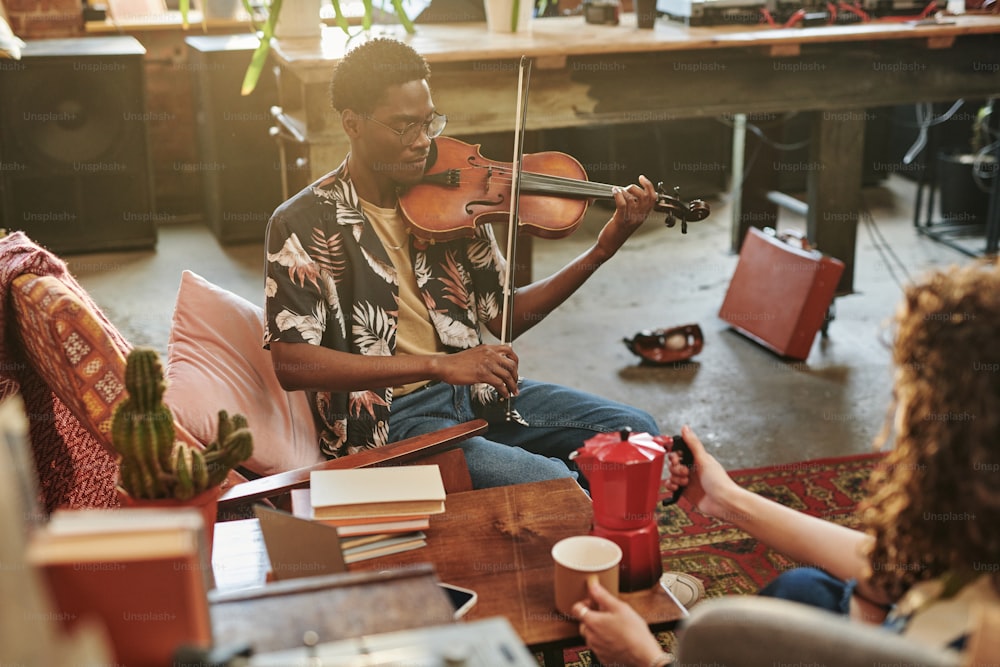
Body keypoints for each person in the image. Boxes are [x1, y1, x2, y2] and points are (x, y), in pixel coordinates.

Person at [263, 37, 664, 488]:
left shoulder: (457, 195)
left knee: (637, 434)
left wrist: (601, 250)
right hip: (393, 421)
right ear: (353, 123)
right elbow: (292, 363)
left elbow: (506, 313)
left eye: (428, 122)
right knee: (554, 483)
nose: (422, 142)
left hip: (477, 394)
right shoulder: (300, 222)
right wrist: (438, 365)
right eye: (403, 127)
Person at [572, 261, 1000, 665]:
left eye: (908, 394)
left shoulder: (983, 633)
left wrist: (645, 657)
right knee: (805, 589)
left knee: (713, 635)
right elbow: (896, 567)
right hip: (914, 619)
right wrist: (726, 500)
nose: (896, 411)